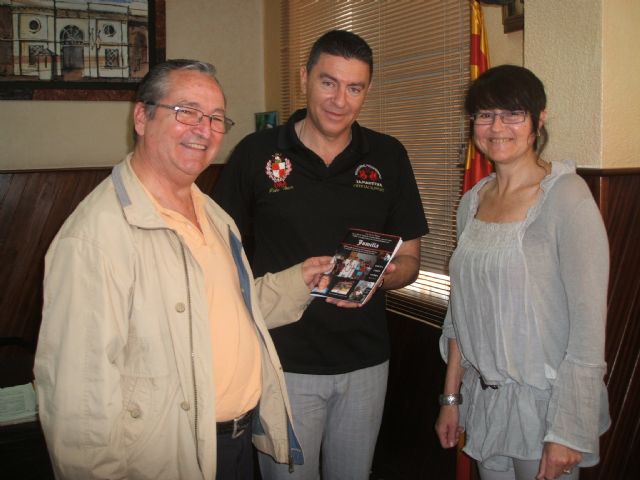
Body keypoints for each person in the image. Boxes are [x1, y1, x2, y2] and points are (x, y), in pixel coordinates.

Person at [33, 59, 334, 480]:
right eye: (186, 112)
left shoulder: (210, 212)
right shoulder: (94, 239)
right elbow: (79, 407)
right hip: (168, 456)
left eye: (215, 118)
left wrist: (297, 282)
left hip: (235, 445)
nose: (204, 129)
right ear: (142, 116)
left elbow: (226, 311)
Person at [213, 30, 428, 479]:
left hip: (366, 364)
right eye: (328, 82)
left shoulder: (388, 156)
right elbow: (216, 254)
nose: (340, 100)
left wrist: (376, 281)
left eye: (355, 88)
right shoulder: (257, 153)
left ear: (367, 91)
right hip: (283, 362)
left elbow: (409, 261)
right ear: (305, 77)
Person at [435, 65, 610, 480]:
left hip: (546, 411)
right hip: (486, 405)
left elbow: (588, 328)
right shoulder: (473, 202)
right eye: (484, 114)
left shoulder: (566, 197)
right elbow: (461, 311)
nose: (497, 127)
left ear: (539, 119)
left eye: (512, 113)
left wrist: (568, 430)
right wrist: (451, 396)